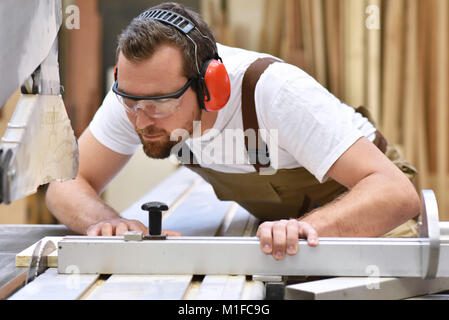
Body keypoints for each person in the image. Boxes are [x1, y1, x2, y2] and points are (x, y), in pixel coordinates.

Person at [46, 2, 420, 260]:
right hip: (287, 223)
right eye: (131, 104)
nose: (142, 121)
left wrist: (306, 228)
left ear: (212, 87)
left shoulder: (275, 92)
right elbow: (65, 184)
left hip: (364, 199)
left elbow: (395, 193)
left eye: (160, 106)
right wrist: (106, 222)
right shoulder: (138, 92)